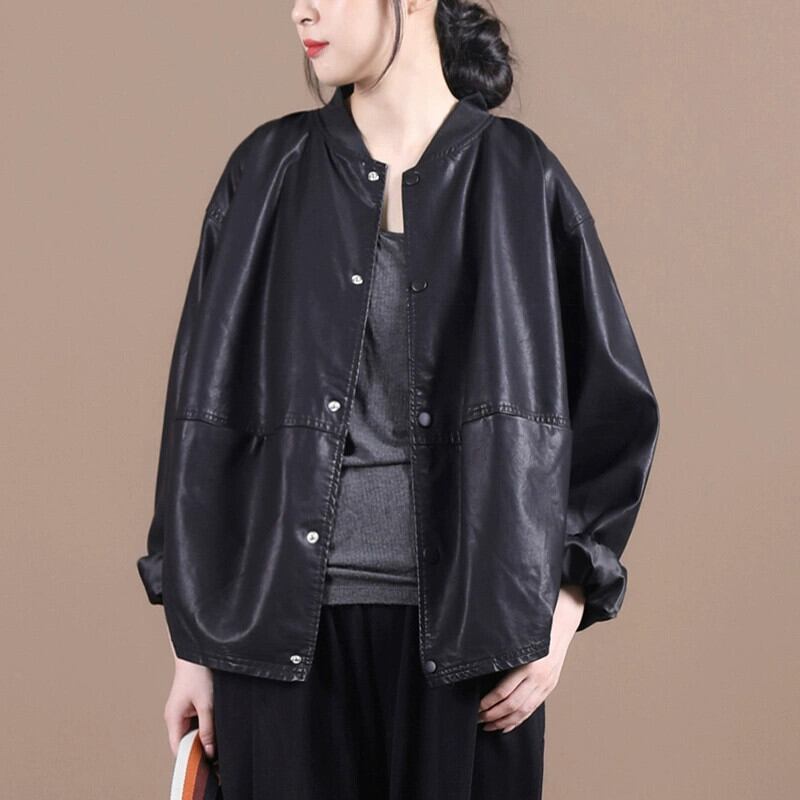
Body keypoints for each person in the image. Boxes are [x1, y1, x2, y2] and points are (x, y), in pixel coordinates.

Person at [137, 1, 660, 798]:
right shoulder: (265, 172)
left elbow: (614, 416)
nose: (300, 10)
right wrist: (193, 645)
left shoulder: (521, 179)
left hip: (475, 646)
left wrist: (561, 609)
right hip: (275, 641)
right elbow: (201, 420)